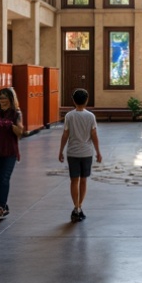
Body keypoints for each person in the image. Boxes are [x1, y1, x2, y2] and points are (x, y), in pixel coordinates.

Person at [58, 88, 102, 222]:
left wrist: (60, 150)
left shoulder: (69, 116)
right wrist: (98, 152)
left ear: (73, 100)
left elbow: (65, 134)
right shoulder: (90, 116)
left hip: (73, 152)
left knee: (74, 180)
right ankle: (79, 207)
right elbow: (93, 135)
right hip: (86, 152)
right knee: (83, 180)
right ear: (87, 100)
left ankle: (76, 207)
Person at [0, 86, 24, 219]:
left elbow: (20, 132)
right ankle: (4, 206)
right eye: (0, 98)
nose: (2, 100)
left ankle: (1, 205)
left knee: (4, 178)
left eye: (5, 98)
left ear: (11, 99)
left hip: (10, 152)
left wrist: (10, 125)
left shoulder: (16, 113)